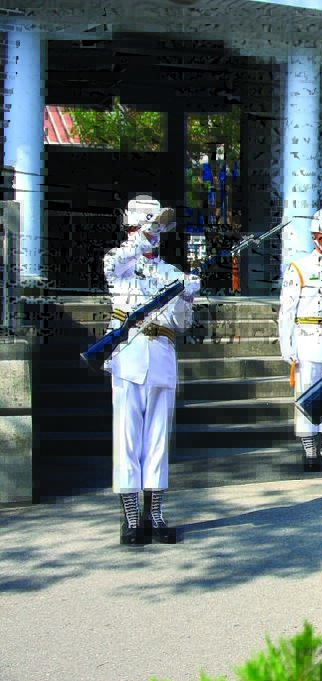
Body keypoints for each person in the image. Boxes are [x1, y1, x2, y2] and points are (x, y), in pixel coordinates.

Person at [103, 195, 200, 545]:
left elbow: (181, 324)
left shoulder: (171, 273)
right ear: (133, 228)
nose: (155, 235)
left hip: (161, 355)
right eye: (148, 227)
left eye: (158, 228)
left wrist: (187, 297)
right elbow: (111, 268)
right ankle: (131, 519)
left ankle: (155, 513)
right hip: (129, 354)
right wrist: (138, 238)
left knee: (158, 440)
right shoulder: (119, 261)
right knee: (128, 438)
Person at [278, 208, 322, 472]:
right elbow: (287, 312)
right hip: (308, 341)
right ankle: (310, 452)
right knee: (307, 396)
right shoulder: (299, 268)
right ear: (316, 237)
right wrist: (288, 347)